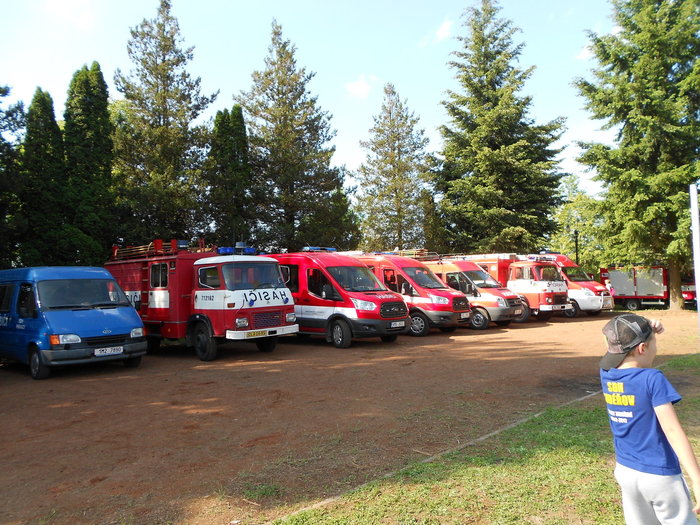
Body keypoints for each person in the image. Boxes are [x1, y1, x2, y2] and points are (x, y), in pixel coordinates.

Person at [600, 313, 700, 524]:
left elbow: (616, 343)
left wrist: (645, 328)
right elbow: (672, 431)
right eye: (654, 343)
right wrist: (697, 480)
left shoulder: (606, 374)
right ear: (643, 348)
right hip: (660, 476)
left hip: (626, 472)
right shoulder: (652, 379)